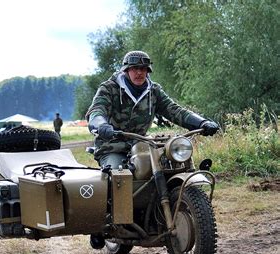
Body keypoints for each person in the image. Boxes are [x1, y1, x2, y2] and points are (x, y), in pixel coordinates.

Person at [86, 50, 219, 169]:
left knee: (169, 166)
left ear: (148, 71)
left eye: (143, 69)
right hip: (112, 147)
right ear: (126, 70)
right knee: (117, 175)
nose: (139, 72)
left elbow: (175, 111)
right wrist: (101, 125)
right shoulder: (109, 88)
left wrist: (202, 123)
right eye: (135, 68)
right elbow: (97, 110)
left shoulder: (154, 91)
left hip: (141, 146)